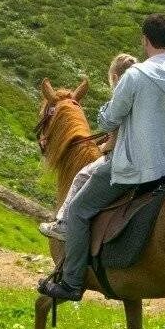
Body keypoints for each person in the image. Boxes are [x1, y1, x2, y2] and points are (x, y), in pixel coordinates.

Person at [38, 14, 165, 302]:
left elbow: (109, 119)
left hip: (142, 167)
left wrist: (110, 106)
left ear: (145, 40)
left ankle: (72, 282)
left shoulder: (136, 76)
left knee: (77, 210)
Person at [39, 52, 139, 241]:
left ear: (116, 77)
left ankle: (66, 235)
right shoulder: (146, 95)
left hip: (125, 162)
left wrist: (104, 147)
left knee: (80, 185)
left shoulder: (121, 97)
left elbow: (114, 131)